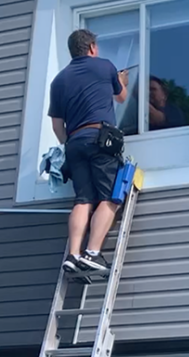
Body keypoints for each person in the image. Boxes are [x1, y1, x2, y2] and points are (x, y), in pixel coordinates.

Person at [48, 29, 129, 274]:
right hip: (100, 138)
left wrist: (69, 143)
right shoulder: (104, 67)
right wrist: (122, 81)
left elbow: (56, 125)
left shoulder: (59, 80)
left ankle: (73, 255)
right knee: (110, 197)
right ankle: (92, 252)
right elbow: (122, 98)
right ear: (92, 47)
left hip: (74, 143)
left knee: (83, 200)